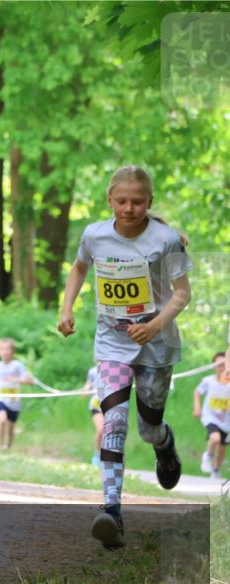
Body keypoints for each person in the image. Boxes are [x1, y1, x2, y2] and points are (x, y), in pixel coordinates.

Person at [58, 165, 192, 549]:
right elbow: (80, 266)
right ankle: (111, 511)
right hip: (112, 344)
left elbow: (182, 294)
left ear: (149, 201)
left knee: (148, 428)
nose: (129, 208)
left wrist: (154, 324)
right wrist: (66, 308)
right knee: (112, 422)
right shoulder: (95, 235)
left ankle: (164, 446)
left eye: (137, 201)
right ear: (109, 201)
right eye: (121, 201)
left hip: (156, 346)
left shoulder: (166, 240)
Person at [0, 338, 33, 450]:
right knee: (2, 419)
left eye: (7, 349)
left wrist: (15, 379)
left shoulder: (17, 365)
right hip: (1, 399)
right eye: (1, 349)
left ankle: (8, 447)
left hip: (14, 400)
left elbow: (29, 381)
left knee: (10, 426)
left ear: (12, 351)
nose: (4, 352)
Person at [195, 352, 228, 480]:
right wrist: (197, 407)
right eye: (219, 365)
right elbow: (197, 392)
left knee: (221, 449)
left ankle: (215, 470)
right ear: (214, 366)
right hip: (210, 417)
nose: (222, 367)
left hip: (226, 420)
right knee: (215, 438)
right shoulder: (208, 381)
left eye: (224, 364)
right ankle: (208, 456)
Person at [85, 363, 104, 466]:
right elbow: (86, 388)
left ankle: (109, 455)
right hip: (96, 405)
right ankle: (97, 454)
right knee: (101, 430)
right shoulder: (93, 371)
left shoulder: (115, 368)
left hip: (111, 403)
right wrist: (86, 390)